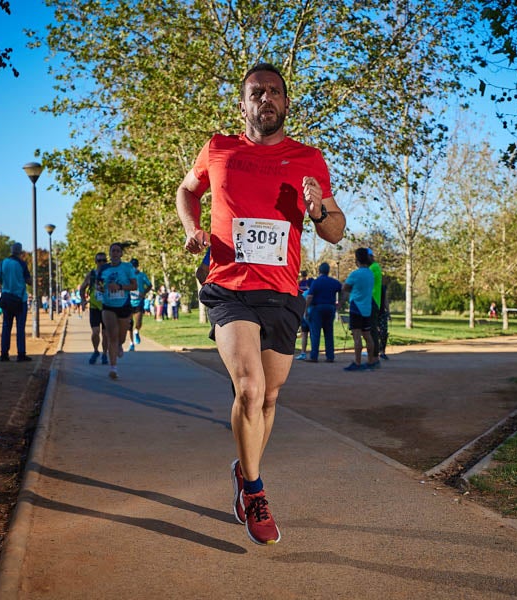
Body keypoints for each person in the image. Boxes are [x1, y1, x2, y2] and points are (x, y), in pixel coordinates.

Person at [176, 62, 345, 545]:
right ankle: (254, 491)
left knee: (269, 396)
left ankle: (243, 469)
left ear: (286, 103)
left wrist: (319, 209)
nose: (265, 99)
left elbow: (335, 231)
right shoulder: (219, 148)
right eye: (256, 93)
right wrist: (192, 229)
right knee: (249, 388)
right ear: (242, 105)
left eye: (274, 92)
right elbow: (187, 190)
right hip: (229, 287)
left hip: (282, 292)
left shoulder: (309, 158)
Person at [98, 243, 138, 379]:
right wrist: (101, 288)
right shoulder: (104, 268)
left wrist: (120, 286)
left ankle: (120, 344)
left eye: (117, 251)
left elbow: (134, 286)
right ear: (109, 253)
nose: (115, 253)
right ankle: (113, 368)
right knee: (111, 336)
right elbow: (99, 284)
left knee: (121, 337)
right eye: (112, 251)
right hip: (108, 305)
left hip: (124, 305)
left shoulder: (127, 267)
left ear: (121, 254)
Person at [0, 242, 32, 362]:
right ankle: (21, 354)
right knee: (20, 328)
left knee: (6, 326)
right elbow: (29, 281)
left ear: (11, 251)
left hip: (7, 298)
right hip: (20, 299)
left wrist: (7, 281)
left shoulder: (3, 263)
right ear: (20, 252)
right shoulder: (22, 264)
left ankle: (4, 354)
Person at [341, 247, 376, 371]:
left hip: (356, 306)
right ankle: (371, 361)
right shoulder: (370, 274)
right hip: (367, 307)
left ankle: (357, 362)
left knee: (357, 337)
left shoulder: (355, 274)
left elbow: (345, 287)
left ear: (357, 260)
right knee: (367, 335)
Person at [305, 262, 341, 362]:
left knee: (315, 333)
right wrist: (340, 303)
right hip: (330, 307)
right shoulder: (334, 282)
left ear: (319, 271)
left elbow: (309, 296)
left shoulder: (316, 282)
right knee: (329, 332)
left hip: (317, 308)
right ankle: (330, 356)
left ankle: (314, 356)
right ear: (328, 271)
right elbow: (343, 289)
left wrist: (306, 309)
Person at [79, 252, 109, 365]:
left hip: (107, 307)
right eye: (99, 261)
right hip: (94, 307)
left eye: (104, 260)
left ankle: (105, 354)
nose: (102, 263)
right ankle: (96, 350)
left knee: (105, 333)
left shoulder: (110, 274)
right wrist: (83, 300)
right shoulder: (91, 275)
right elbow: (82, 288)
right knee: (95, 332)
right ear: (96, 262)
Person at [127, 258, 153, 351]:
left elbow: (149, 285)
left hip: (139, 301)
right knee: (129, 323)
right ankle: (131, 343)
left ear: (137, 266)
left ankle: (136, 331)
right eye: (132, 266)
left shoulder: (142, 275)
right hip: (128, 301)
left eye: (135, 266)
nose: (133, 268)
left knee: (138, 322)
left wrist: (144, 292)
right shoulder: (127, 276)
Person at [367, 248, 383, 369]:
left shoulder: (373, 268)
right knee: (370, 330)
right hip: (373, 301)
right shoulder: (374, 267)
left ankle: (374, 357)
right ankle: (373, 356)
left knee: (372, 330)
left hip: (372, 300)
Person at [378, 275, 391, 360]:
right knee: (375, 332)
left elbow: (385, 300)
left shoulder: (383, 288)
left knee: (384, 332)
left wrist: (388, 312)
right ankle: (375, 351)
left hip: (382, 312)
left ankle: (382, 350)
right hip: (374, 312)